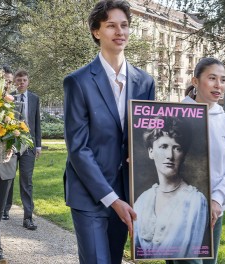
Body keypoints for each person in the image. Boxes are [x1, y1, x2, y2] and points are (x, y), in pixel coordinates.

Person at [63, 1, 155, 263]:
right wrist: (112, 199)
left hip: (128, 192)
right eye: (111, 25)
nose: (120, 32)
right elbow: (78, 148)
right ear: (96, 32)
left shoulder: (146, 82)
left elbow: (146, 137)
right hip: (89, 193)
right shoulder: (77, 82)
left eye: (124, 25)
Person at [166, 58, 225, 264]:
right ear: (195, 81)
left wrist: (217, 199)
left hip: (213, 214)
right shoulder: (172, 117)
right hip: (178, 214)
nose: (218, 85)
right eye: (212, 78)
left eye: (223, 80)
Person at [134, 116, 208, 259]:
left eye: (177, 148)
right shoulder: (142, 201)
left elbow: (191, 258)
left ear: (184, 154)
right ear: (151, 152)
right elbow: (138, 252)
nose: (170, 155)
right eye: (163, 146)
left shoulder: (195, 202)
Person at [6, 69, 41, 230]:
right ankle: (5, 209)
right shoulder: (9, 98)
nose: (21, 83)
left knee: (26, 180)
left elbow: (36, 123)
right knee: (9, 177)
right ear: (15, 82)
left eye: (24, 80)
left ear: (28, 82)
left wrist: (38, 145)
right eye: (18, 80)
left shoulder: (34, 99)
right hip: (12, 144)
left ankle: (28, 217)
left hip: (28, 145)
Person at [2, 65, 18, 221]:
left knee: (8, 181)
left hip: (9, 152)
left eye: (10, 82)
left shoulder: (14, 101)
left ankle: (5, 209)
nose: (8, 84)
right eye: (5, 81)